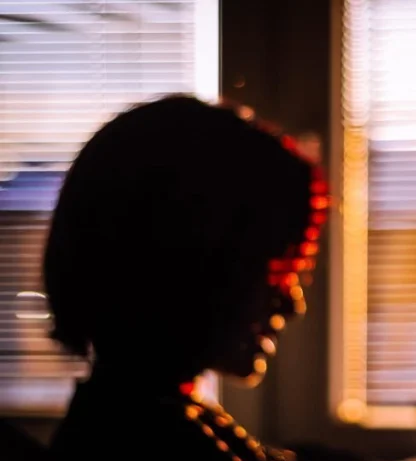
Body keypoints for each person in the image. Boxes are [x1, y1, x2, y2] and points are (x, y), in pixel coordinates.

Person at [44, 95, 327, 461]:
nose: (293, 303)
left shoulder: (132, 417)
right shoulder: (150, 443)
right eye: (272, 269)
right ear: (189, 266)